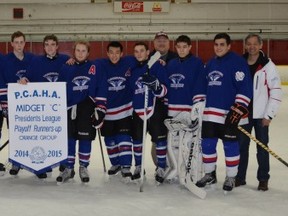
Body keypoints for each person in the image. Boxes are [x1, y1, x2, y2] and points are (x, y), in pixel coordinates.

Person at [195, 33, 253, 192]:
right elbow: (202, 86)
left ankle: (231, 177)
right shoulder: (211, 63)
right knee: (207, 145)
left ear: (229, 46)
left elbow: (245, 88)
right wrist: (199, 105)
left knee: (230, 146)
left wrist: (237, 110)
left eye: (222, 44)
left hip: (229, 115)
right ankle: (209, 174)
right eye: (216, 44)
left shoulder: (238, 63)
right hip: (210, 115)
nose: (218, 47)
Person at [19, 34, 70, 179]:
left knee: (60, 135)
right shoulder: (36, 61)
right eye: (47, 44)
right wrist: (24, 80)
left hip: (61, 106)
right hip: (43, 108)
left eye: (52, 44)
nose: (50, 47)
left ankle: (62, 162)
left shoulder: (66, 60)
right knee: (44, 135)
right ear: (44, 46)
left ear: (57, 46)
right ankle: (43, 165)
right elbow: (28, 77)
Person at [235, 33, 282, 191]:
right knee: (241, 146)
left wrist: (269, 115)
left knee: (262, 148)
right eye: (249, 43)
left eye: (255, 44)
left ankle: (263, 179)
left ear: (261, 45)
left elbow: (275, 92)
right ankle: (239, 177)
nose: (252, 47)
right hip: (243, 114)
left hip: (261, 115)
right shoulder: (239, 63)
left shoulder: (268, 65)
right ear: (245, 45)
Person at [56, 40, 107, 184]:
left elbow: (101, 86)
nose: (80, 53)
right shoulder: (66, 67)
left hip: (87, 107)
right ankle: (69, 167)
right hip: (69, 108)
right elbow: (59, 88)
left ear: (88, 52)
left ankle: (83, 167)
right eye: (78, 50)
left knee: (85, 138)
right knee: (69, 138)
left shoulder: (95, 67)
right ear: (74, 52)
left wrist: (100, 108)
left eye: (83, 51)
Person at [129, 42, 168, 184]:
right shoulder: (133, 70)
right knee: (137, 140)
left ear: (147, 53)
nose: (139, 54)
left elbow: (164, 90)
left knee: (160, 140)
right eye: (136, 51)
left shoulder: (157, 66)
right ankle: (139, 166)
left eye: (142, 51)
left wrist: (155, 86)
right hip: (138, 110)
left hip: (155, 109)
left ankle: (161, 167)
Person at [99, 41, 137, 180]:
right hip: (107, 112)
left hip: (125, 110)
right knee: (110, 140)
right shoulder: (100, 64)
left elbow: (144, 60)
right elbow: (84, 65)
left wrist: (159, 63)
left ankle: (126, 166)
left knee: (124, 139)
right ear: (107, 53)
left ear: (121, 53)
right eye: (111, 52)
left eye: (117, 53)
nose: (114, 56)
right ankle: (115, 164)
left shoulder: (129, 61)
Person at [0, 31, 34, 176]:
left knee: (19, 133)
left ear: (24, 43)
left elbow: (41, 70)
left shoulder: (32, 59)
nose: (19, 45)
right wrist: (4, 102)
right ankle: (14, 162)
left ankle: (17, 162)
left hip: (24, 104)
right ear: (12, 43)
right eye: (16, 42)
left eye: (22, 42)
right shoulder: (4, 60)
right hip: (6, 103)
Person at [150, 31, 178, 166]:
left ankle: (175, 166)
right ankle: (160, 167)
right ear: (154, 43)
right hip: (155, 105)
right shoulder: (148, 58)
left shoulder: (178, 58)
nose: (161, 43)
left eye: (164, 40)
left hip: (174, 104)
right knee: (158, 137)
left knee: (174, 138)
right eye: (158, 40)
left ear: (169, 43)